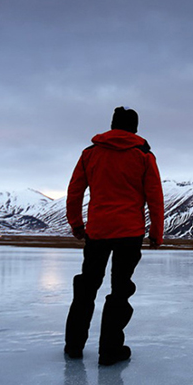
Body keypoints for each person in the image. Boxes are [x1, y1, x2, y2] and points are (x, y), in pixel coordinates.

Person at [64, 106, 164, 366]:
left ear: (112, 125)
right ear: (136, 128)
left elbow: (75, 191)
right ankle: (110, 350)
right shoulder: (143, 155)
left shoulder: (90, 153)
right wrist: (156, 233)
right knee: (120, 291)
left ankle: (74, 346)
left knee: (86, 287)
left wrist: (76, 224)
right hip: (130, 233)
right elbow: (155, 197)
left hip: (97, 232)